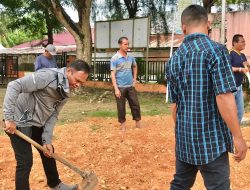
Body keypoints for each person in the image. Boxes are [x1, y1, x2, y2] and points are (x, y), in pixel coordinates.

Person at [165, 5, 247, 190]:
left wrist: (181, 134)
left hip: (185, 140)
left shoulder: (174, 59)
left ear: (183, 27)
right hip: (211, 141)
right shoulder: (216, 51)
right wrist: (238, 137)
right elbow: (224, 97)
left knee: (180, 184)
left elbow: (175, 106)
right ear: (208, 24)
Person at [3, 59, 90, 190]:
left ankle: (55, 184)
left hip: (36, 122)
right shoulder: (47, 76)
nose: (78, 85)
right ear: (68, 71)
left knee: (48, 150)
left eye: (81, 83)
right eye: (77, 80)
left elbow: (53, 114)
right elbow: (14, 85)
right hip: (18, 119)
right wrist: (9, 118)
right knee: (25, 162)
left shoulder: (65, 93)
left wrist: (47, 140)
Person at [110, 37, 142, 140]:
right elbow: (113, 74)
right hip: (120, 87)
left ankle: (138, 123)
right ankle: (122, 125)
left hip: (130, 86)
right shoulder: (115, 58)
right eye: (125, 44)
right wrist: (116, 89)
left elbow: (135, 67)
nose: (127, 46)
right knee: (121, 107)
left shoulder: (130, 57)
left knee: (135, 104)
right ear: (120, 45)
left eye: (128, 44)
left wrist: (134, 79)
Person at [230, 34, 249, 124]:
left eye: (244, 41)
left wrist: (246, 68)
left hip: (239, 86)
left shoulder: (242, 55)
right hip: (231, 87)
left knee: (240, 112)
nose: (244, 43)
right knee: (229, 112)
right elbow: (227, 68)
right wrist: (240, 69)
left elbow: (246, 66)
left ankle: (234, 133)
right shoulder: (230, 53)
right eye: (242, 41)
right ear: (235, 43)